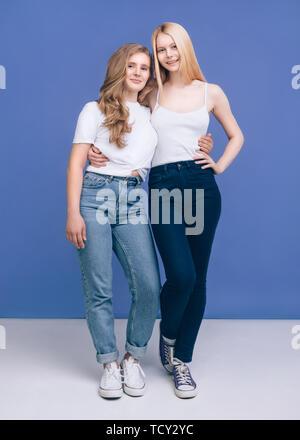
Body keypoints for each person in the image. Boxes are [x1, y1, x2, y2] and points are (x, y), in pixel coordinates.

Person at [66, 43, 162, 399]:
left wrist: (205, 141)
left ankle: (132, 357)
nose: (138, 73)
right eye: (131, 66)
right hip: (95, 195)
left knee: (149, 286)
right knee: (99, 286)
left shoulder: (152, 109)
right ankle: (109, 363)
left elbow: (183, 121)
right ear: (119, 69)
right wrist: (73, 212)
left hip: (134, 197)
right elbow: (76, 162)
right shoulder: (94, 110)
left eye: (144, 68)